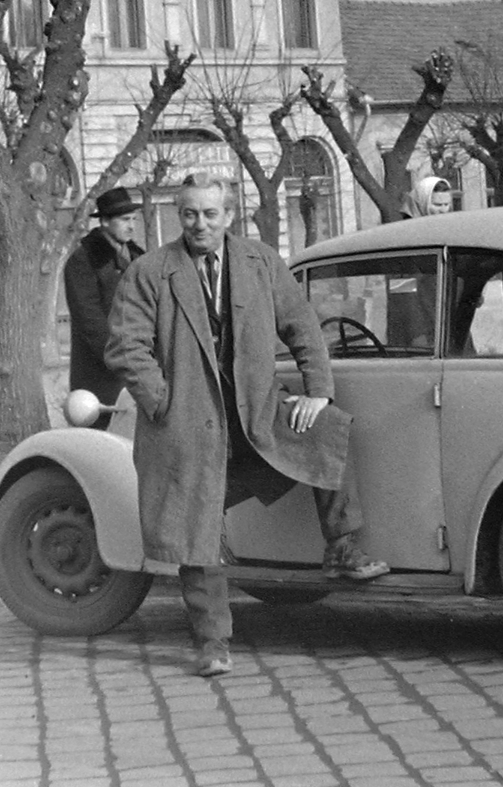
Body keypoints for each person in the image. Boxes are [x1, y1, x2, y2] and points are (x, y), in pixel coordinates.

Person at [105, 174, 389, 679]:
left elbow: (302, 325)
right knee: (199, 526)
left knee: (328, 431)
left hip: (254, 415)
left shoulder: (261, 262)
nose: (199, 224)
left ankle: (342, 547)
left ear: (229, 215)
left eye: (210, 214)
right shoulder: (149, 272)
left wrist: (317, 391)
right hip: (186, 425)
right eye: (189, 213)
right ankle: (213, 641)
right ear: (178, 214)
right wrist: (164, 402)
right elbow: (127, 348)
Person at [62, 186, 145, 431]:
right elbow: (89, 319)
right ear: (105, 222)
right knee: (105, 436)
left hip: (140, 362)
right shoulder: (84, 260)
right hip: (101, 370)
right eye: (124, 220)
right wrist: (120, 357)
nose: (131, 226)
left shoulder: (139, 257)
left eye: (133, 220)